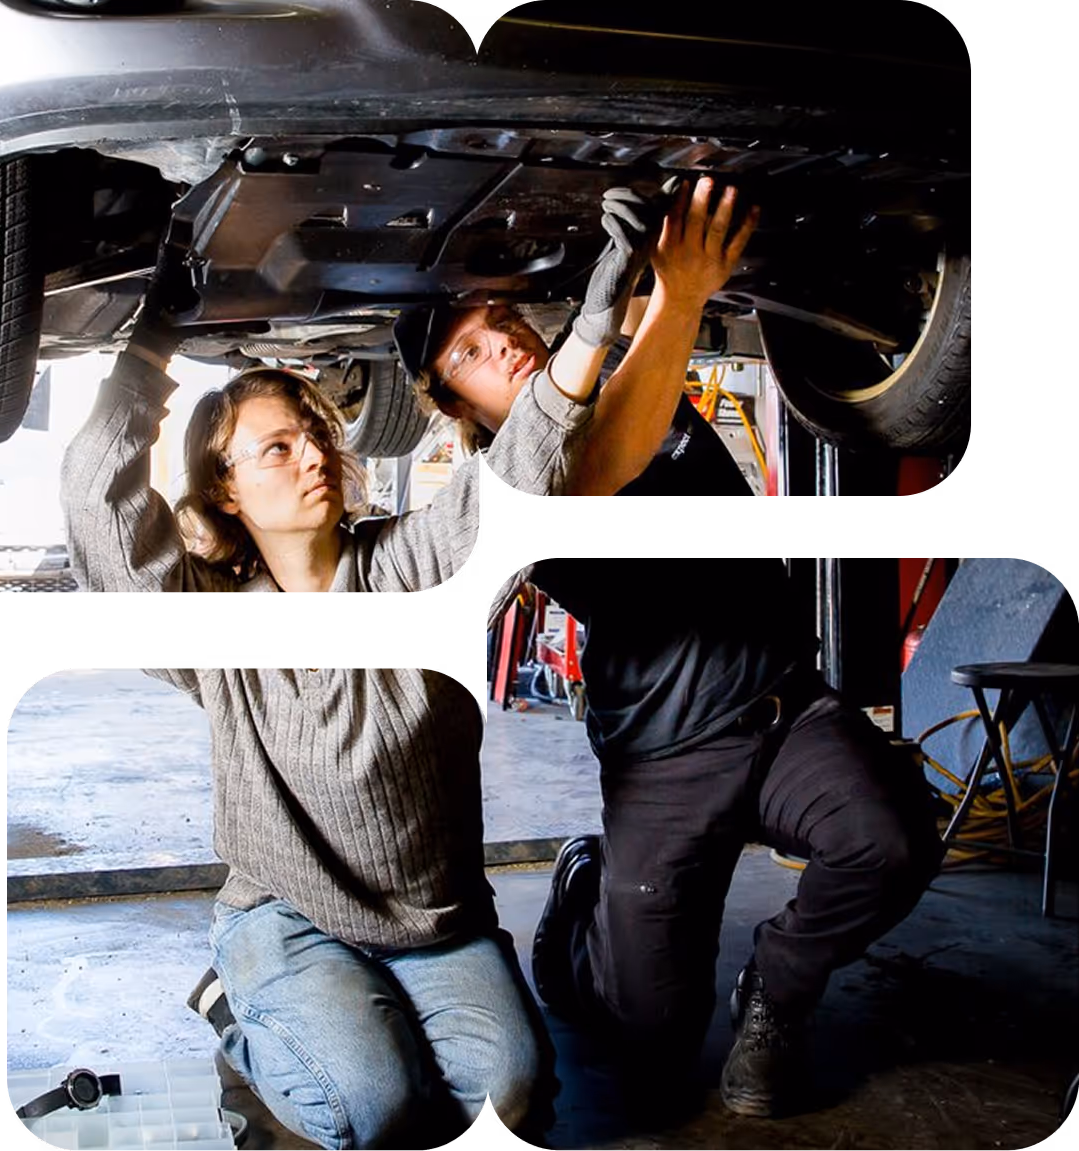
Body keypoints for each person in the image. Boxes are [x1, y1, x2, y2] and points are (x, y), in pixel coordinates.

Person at [515, 548, 947, 1119]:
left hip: (785, 716)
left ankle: (776, 986)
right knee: (652, 1050)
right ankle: (582, 921)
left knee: (890, 841)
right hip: (665, 756)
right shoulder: (535, 473)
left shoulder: (680, 455)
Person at [142, 668, 558, 1150]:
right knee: (368, 1109)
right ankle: (235, 1015)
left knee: (507, 1099)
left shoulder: (412, 588)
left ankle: (380, 1039)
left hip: (431, 918)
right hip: (283, 909)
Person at [60, 249, 599, 592]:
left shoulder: (407, 568)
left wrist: (595, 329)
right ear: (225, 490)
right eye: (278, 448)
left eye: (316, 434)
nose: (318, 455)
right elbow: (97, 509)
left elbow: (513, 483)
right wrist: (149, 347)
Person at [394, 175, 760, 499]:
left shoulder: (593, 352)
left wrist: (649, 211)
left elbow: (643, 281)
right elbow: (601, 464)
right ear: (453, 404)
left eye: (504, 319)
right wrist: (681, 296)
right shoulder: (514, 494)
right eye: (470, 353)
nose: (503, 342)